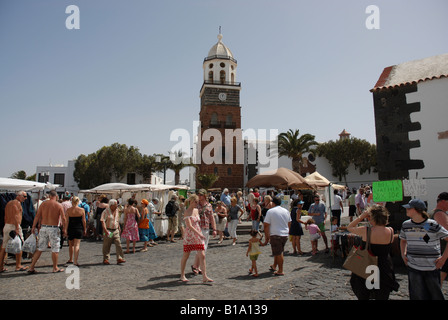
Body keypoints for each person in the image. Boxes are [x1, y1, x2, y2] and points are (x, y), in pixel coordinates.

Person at [348, 205, 399, 300]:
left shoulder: (366, 231)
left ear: (373, 218)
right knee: (382, 294)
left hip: (367, 266)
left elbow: (350, 227)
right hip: (384, 266)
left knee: (364, 293)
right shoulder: (391, 231)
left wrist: (361, 216)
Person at [400, 199, 448, 300]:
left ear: (417, 210)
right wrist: (403, 253)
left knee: (435, 296)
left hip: (432, 267)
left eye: (409, 208)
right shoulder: (406, 224)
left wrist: (443, 259)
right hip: (413, 267)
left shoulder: (432, 224)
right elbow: (403, 240)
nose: (406, 209)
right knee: (417, 296)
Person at [28, 190, 66, 274]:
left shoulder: (43, 204)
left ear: (49, 196)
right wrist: (65, 229)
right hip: (53, 227)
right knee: (55, 248)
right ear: (56, 196)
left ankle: (32, 267)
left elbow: (37, 215)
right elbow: (63, 218)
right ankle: (55, 267)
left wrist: (33, 226)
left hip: (44, 227)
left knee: (40, 248)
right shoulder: (58, 205)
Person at [180, 194, 212, 283]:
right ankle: (182, 275)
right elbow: (189, 226)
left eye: (197, 202)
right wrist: (200, 234)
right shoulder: (187, 212)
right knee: (186, 255)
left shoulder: (196, 210)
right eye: (195, 202)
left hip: (197, 234)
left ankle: (205, 276)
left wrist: (201, 233)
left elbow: (198, 222)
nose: (197, 203)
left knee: (202, 255)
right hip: (190, 235)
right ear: (191, 201)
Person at [0, 190, 29, 272]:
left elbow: (5, 216)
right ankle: (18, 265)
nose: (25, 198)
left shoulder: (8, 203)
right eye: (24, 196)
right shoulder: (17, 203)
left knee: (3, 247)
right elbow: (16, 215)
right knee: (19, 245)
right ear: (19, 196)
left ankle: (1, 266)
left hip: (7, 225)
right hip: (13, 226)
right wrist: (16, 227)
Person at [263, 196, 291, 276]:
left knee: (279, 252)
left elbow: (266, 225)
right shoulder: (286, 211)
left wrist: (267, 237)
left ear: (272, 202)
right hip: (284, 234)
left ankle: (281, 270)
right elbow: (289, 223)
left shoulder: (270, 211)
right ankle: (274, 266)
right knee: (278, 251)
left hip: (275, 234)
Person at [192, 189, 217, 274]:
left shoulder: (209, 205)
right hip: (198, 228)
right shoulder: (195, 205)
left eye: (201, 194)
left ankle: (196, 266)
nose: (199, 196)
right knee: (200, 247)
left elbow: (212, 218)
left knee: (204, 248)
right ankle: (195, 266)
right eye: (198, 194)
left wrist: (214, 229)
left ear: (205, 196)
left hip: (206, 228)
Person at [101, 199, 125, 265]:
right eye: (115, 205)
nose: (117, 206)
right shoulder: (105, 211)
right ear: (111, 205)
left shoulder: (117, 210)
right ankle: (106, 259)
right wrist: (105, 230)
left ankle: (119, 258)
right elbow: (102, 221)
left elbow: (117, 219)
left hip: (115, 230)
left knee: (118, 244)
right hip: (108, 230)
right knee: (107, 244)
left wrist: (119, 227)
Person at [64, 196, 86, 266]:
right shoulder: (82, 210)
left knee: (71, 245)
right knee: (77, 245)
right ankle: (75, 261)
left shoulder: (68, 210)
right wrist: (85, 229)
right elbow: (84, 221)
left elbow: (67, 221)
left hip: (71, 228)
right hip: (79, 228)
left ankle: (70, 259)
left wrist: (65, 229)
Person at [432, 192, 448, 285]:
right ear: (443, 201)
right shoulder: (440, 214)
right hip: (443, 253)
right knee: (438, 282)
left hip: (438, 251)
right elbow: (446, 234)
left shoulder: (431, 213)